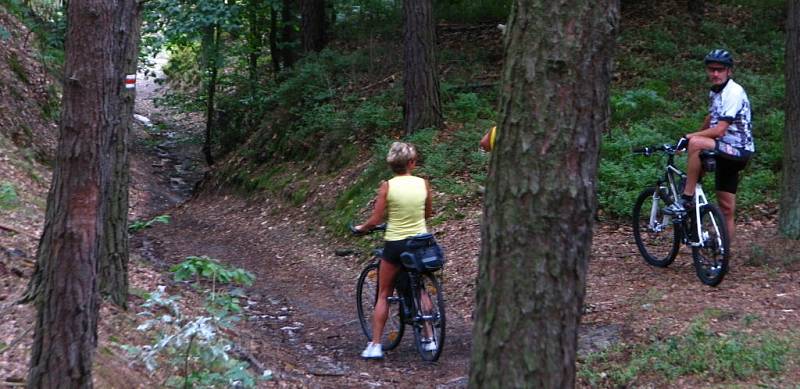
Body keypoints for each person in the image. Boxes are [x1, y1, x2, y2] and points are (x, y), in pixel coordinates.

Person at [354, 141, 434, 359]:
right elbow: (428, 213)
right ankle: (429, 339)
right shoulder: (423, 183)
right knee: (421, 289)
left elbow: (376, 219)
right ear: (412, 163)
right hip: (420, 242)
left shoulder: (387, 186)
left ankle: (376, 345)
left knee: (384, 293)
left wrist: (363, 227)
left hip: (396, 244)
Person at [665, 49, 754, 241]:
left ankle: (687, 199)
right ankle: (724, 255)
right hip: (721, 150)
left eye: (719, 70)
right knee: (727, 207)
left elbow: (720, 129)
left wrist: (690, 137)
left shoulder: (734, 92)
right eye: (711, 70)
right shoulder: (715, 92)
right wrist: (692, 138)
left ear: (729, 71)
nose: (715, 74)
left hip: (738, 151)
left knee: (696, 143)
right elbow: (711, 119)